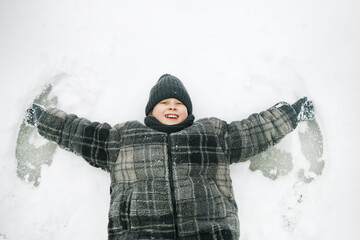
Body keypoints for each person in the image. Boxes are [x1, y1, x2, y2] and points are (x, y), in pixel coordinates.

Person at [25, 74, 314, 240]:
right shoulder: (124, 137)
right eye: (164, 103)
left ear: (189, 112)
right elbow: (82, 133)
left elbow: (253, 131)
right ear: (150, 112)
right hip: (140, 233)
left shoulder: (212, 134)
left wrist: (289, 114)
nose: (172, 106)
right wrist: (45, 120)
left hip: (208, 231)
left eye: (179, 103)